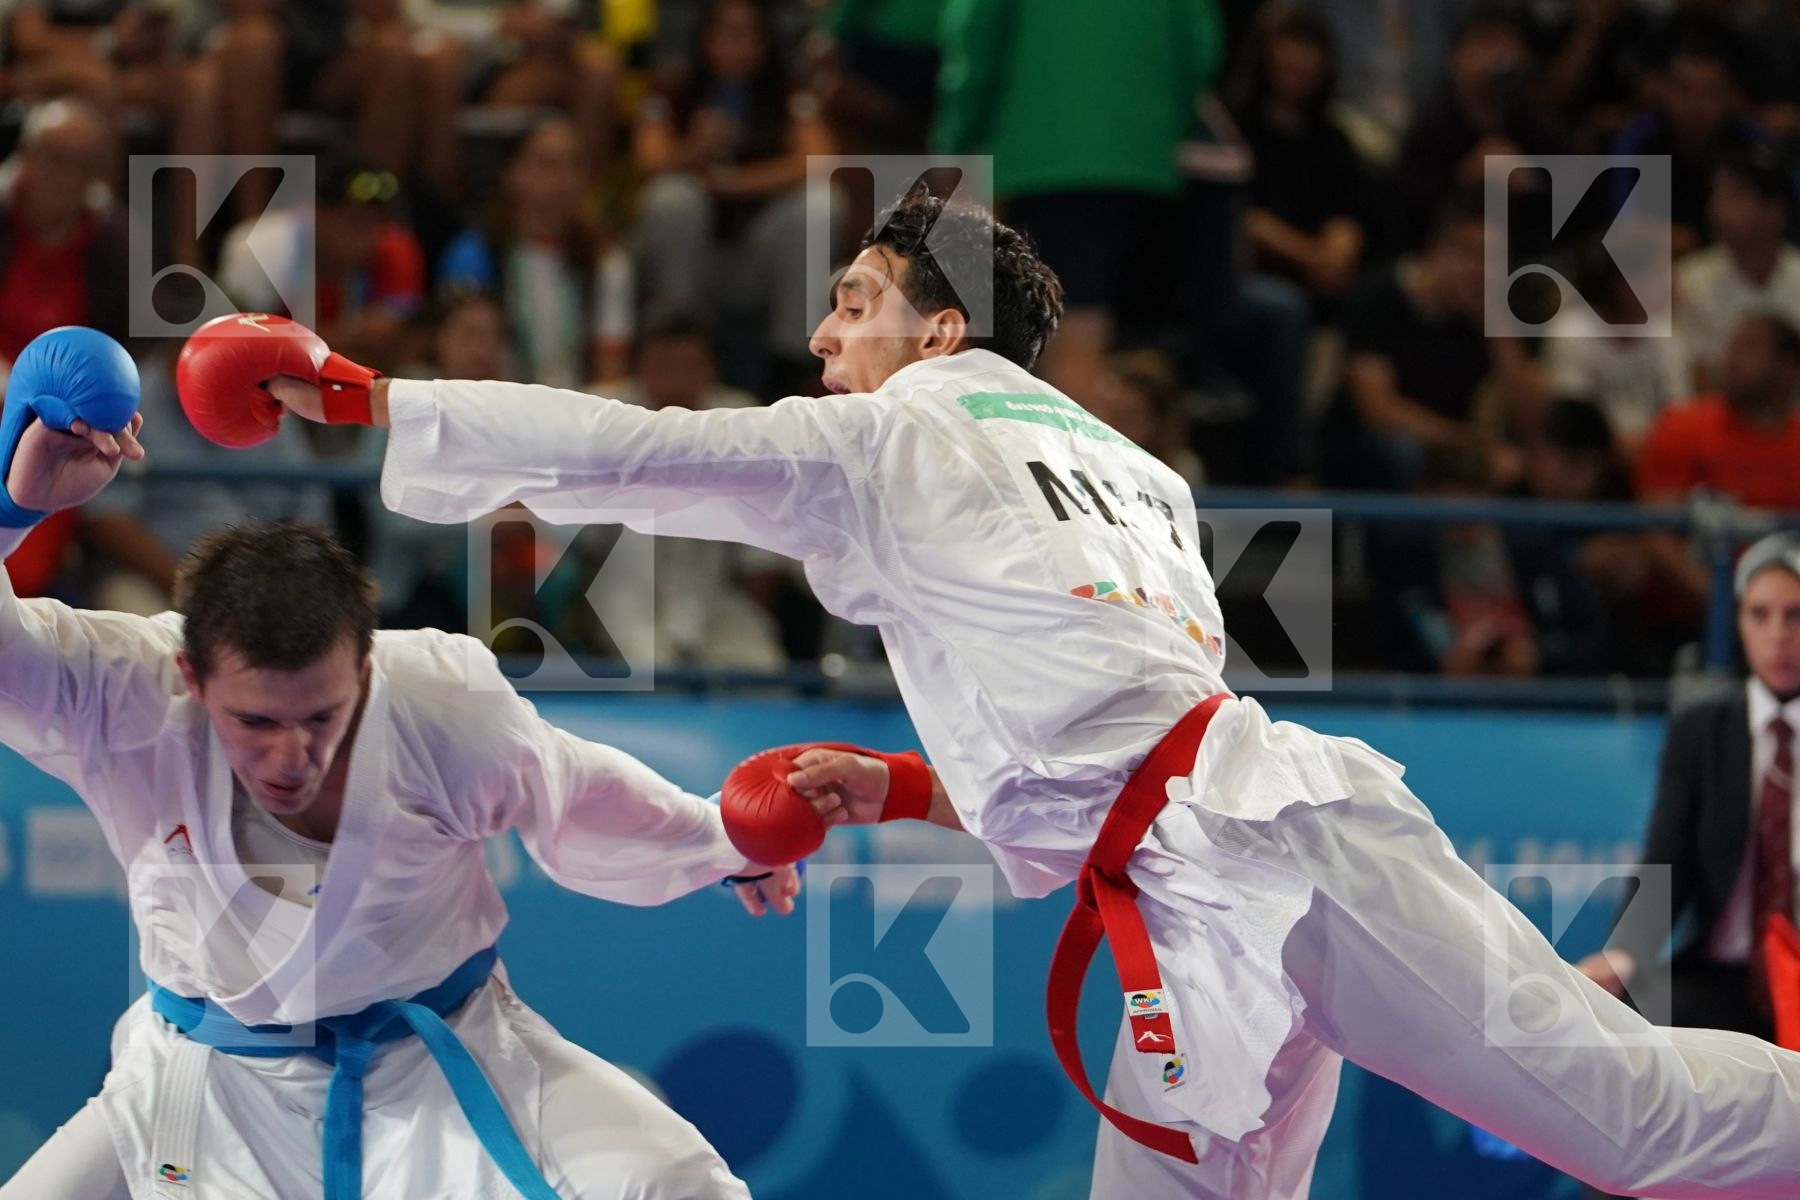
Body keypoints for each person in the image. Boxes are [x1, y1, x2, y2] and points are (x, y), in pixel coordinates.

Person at [192, 189, 1800, 1198]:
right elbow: (1106, 736)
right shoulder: (1129, 467)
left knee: (1631, 1123)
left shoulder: (900, 433)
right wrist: (890, 786)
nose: (822, 333)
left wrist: (363, 392)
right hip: (1204, 881)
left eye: (854, 302)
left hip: (1275, 868)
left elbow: (636, 447)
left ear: (938, 328)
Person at [0, 328, 796, 1198]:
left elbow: (574, 792)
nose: (290, 753)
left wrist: (724, 843)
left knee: (681, 1183)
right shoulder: (125, 692)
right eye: (254, 720)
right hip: (202, 1079)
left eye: (321, 716)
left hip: (448, 1056)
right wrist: (14, 507)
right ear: (190, 676)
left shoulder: (440, 702)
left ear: (366, 668)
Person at [1573, 530, 1800, 1198]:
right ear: (1738, 623)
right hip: (1723, 977)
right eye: (1760, 615)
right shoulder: (1706, 728)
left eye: (1795, 616)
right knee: (1625, 1082)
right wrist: (1622, 957)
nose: (1779, 634)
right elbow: (1665, 859)